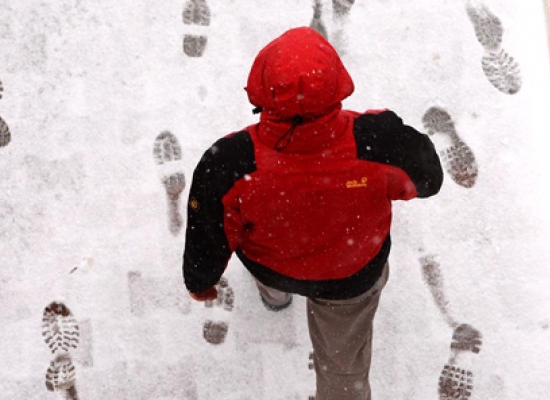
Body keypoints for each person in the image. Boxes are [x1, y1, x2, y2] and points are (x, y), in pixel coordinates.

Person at [182, 26, 443, 399]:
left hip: (271, 264)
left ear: (259, 86)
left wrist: (201, 280)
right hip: (350, 277)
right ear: (339, 82)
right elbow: (428, 180)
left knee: (269, 272)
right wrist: (382, 127)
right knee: (342, 365)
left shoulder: (226, 162)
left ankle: (275, 297)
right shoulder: (379, 142)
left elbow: (208, 231)